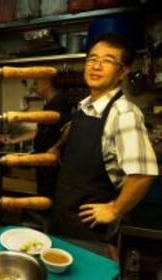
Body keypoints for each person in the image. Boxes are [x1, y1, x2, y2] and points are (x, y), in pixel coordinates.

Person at [49, 34, 158, 242]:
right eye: (92, 59)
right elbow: (74, 132)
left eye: (108, 60)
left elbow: (143, 174)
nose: (96, 66)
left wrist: (115, 210)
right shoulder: (85, 105)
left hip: (91, 228)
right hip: (64, 216)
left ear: (123, 72)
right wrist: (56, 147)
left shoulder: (124, 113)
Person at [0, 77, 72, 201]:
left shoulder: (58, 102)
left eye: (36, 83)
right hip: (43, 160)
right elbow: (38, 131)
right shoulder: (49, 104)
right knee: (44, 192)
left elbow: (69, 127)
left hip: (51, 161)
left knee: (51, 195)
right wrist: (13, 140)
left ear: (47, 83)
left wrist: (56, 147)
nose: (34, 87)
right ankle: (44, 216)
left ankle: (49, 218)